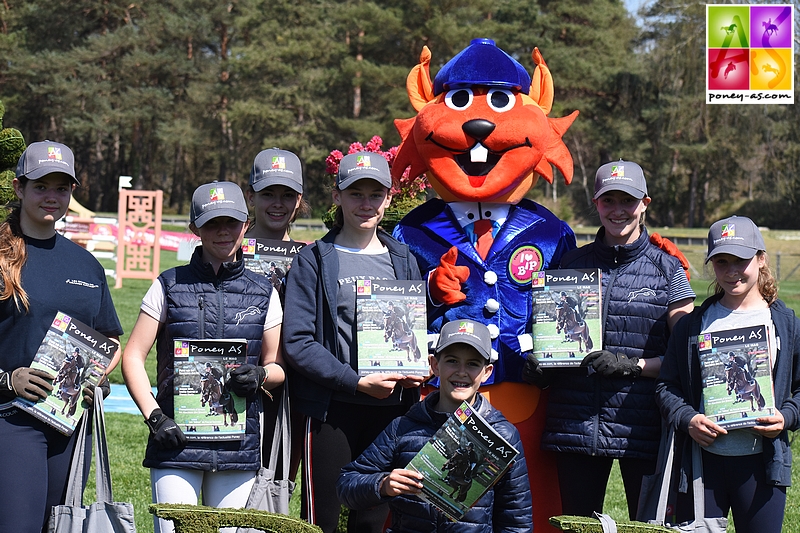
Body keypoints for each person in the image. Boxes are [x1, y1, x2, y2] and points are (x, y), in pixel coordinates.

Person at [523, 159, 695, 519]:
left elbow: (686, 357)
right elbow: (549, 336)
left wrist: (631, 367)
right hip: (575, 423)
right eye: (608, 201)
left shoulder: (669, 271)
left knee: (648, 526)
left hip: (642, 425)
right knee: (579, 525)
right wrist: (543, 366)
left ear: (645, 203)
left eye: (627, 201)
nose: (618, 211)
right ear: (596, 202)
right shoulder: (569, 264)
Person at [121, 181, 285, 533]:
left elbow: (278, 366)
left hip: (238, 447)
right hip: (175, 444)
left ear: (245, 224)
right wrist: (155, 417)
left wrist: (260, 375)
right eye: (212, 223)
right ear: (195, 228)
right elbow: (133, 356)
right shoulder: (168, 284)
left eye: (231, 222)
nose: (223, 231)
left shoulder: (265, 291)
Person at [282, 151, 424, 533]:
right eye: (355, 193)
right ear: (337, 196)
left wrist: (417, 367)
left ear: (389, 198)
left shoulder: (404, 259)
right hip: (333, 410)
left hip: (391, 410)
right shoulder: (314, 259)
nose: (365, 204)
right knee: (321, 520)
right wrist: (355, 381)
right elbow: (298, 341)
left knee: (374, 520)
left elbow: (412, 329)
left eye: (375, 194)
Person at [0, 141, 123, 533]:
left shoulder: (86, 264)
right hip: (11, 418)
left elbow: (109, 340)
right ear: (19, 188)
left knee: (58, 527)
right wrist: (8, 379)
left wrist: (97, 376)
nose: (52, 197)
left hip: (68, 427)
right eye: (41, 186)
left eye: (62, 188)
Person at [656, 215, 799, 533]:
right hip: (701, 465)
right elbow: (667, 386)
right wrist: (688, 419)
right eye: (722, 262)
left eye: (741, 260)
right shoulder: (693, 325)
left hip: (762, 465)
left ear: (761, 260)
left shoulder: (785, 324)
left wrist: (786, 417)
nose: (732, 270)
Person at [336, 319, 532, 532]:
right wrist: (383, 484)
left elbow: (516, 520)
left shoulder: (504, 435)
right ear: (434, 365)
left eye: (473, 364)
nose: (461, 372)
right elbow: (347, 483)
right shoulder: (402, 427)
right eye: (452, 361)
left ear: (487, 372)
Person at [245, 147, 309, 241]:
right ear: (251, 197)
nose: (278, 204)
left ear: (298, 200)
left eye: (287, 195)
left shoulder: (306, 255)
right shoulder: (231, 254)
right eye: (268, 194)